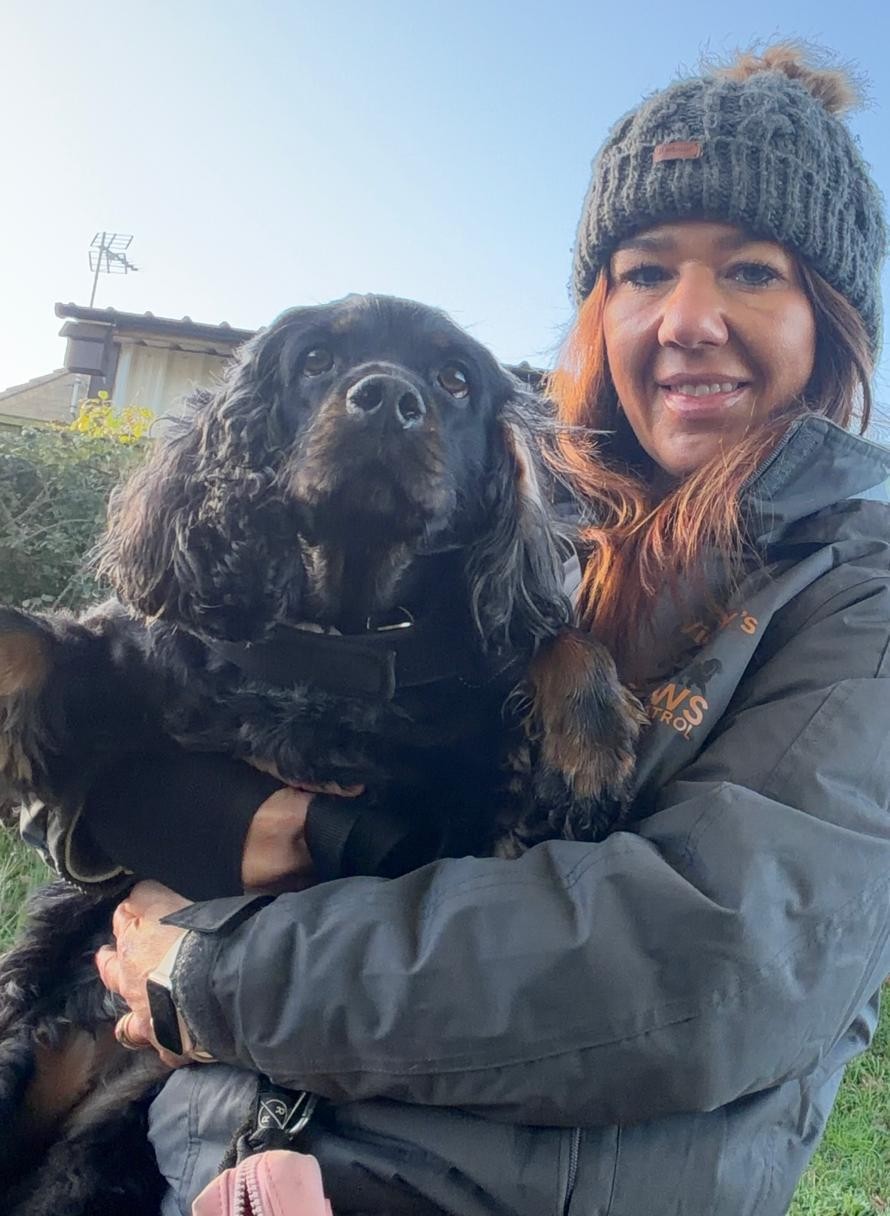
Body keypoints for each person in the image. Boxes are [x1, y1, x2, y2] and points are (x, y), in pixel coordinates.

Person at [94, 43, 890, 1216]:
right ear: (598, 308)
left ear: (827, 320)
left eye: (752, 273)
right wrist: (171, 809)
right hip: (199, 1152)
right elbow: (146, 682)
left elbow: (712, 966)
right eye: (643, 270)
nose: (687, 320)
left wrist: (219, 971)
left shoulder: (852, 592)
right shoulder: (490, 527)